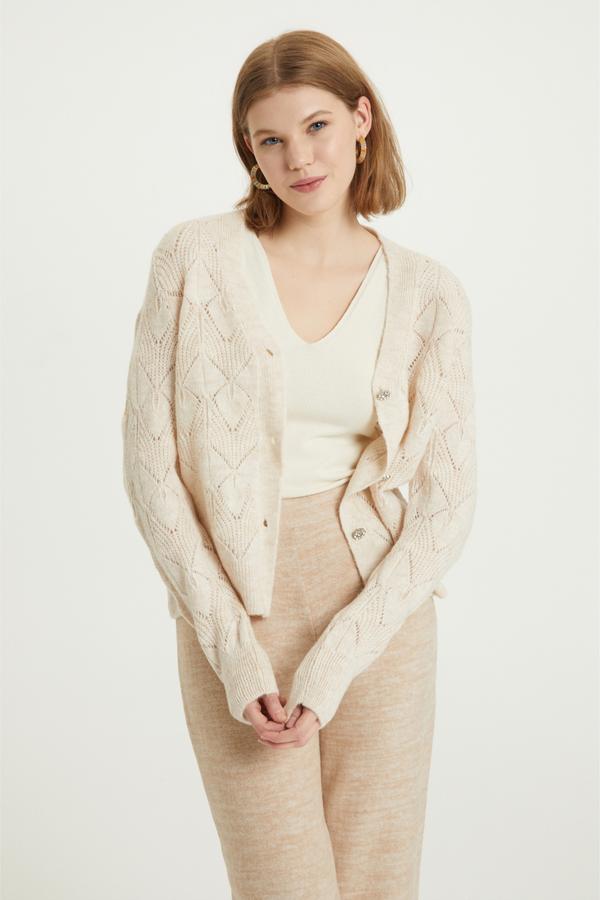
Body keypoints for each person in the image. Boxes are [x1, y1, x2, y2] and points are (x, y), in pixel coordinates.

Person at [121, 28, 477, 900]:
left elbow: (447, 502)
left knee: (377, 882)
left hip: (377, 612)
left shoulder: (429, 292)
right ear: (249, 150)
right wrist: (236, 654)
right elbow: (151, 469)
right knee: (281, 884)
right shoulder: (193, 260)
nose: (298, 159)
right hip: (236, 612)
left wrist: (336, 658)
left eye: (317, 126)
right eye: (270, 139)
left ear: (362, 120)